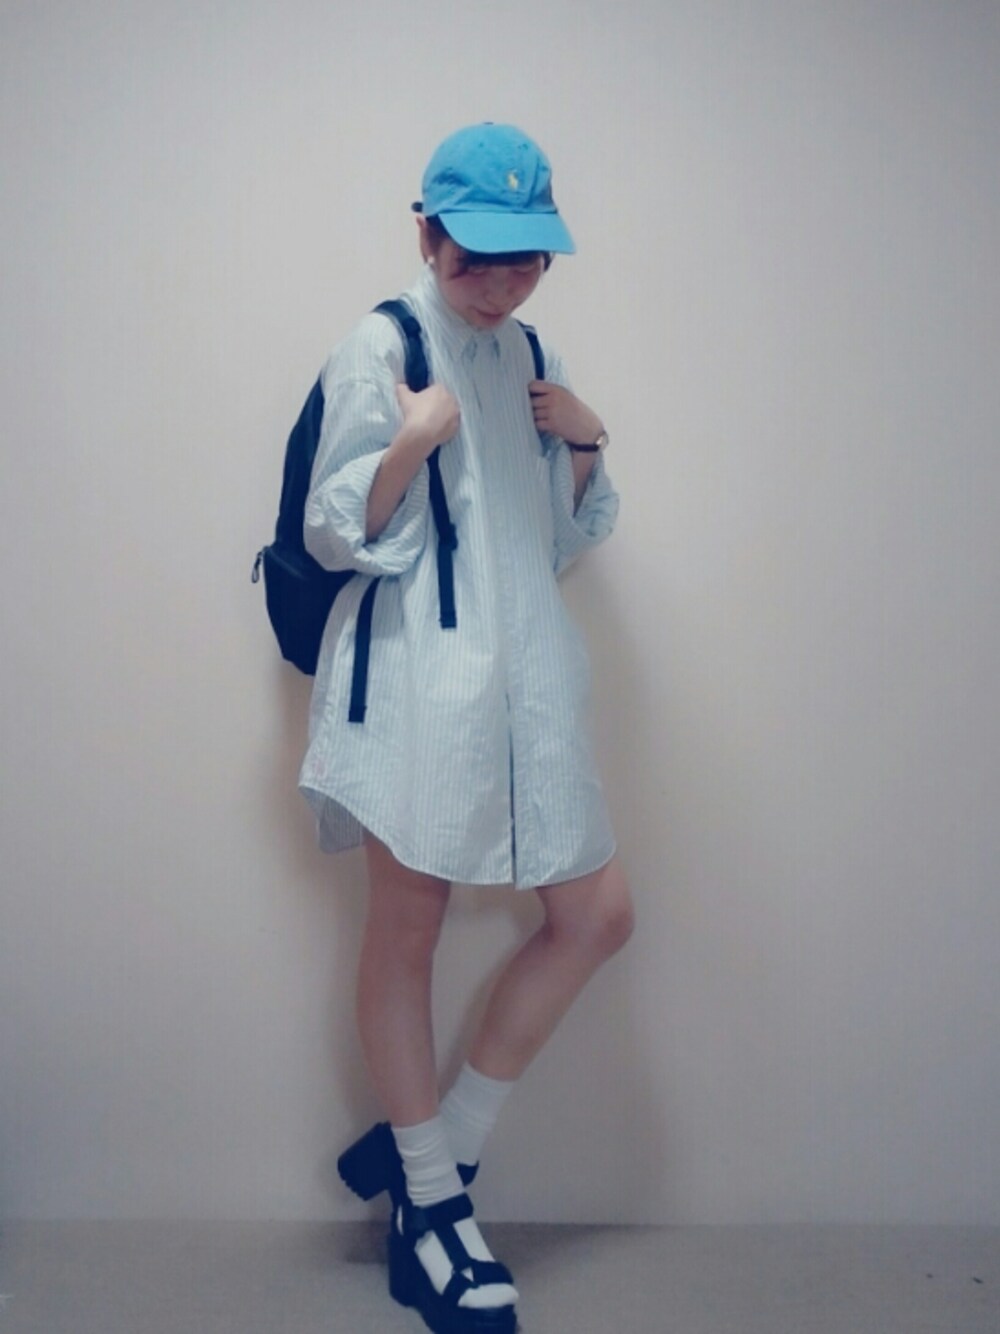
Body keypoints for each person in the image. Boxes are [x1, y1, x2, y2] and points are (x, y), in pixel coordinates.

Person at [298, 122, 633, 1334]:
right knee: (409, 927)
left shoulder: (530, 349)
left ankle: (432, 1152)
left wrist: (583, 436)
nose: (500, 284)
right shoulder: (381, 343)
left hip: (523, 675)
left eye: (525, 259)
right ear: (427, 234)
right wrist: (410, 439)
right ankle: (431, 1210)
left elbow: (557, 537)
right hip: (417, 680)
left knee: (598, 913)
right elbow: (337, 531)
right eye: (477, 258)